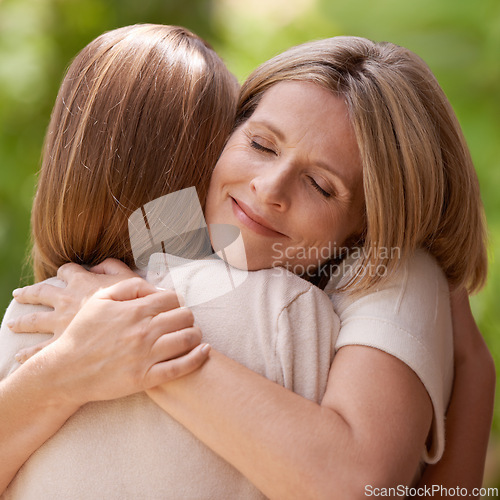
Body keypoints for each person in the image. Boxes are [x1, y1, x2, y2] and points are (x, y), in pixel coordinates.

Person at [3, 34, 495, 497]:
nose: (269, 188)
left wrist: (134, 332)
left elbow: (354, 482)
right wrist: (60, 373)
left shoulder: (395, 270)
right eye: (260, 145)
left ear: (362, 235)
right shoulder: (188, 215)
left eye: (321, 186)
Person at [0, 24, 342, 498]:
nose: (265, 188)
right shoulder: (286, 309)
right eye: (256, 145)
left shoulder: (27, 317)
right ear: (204, 163)